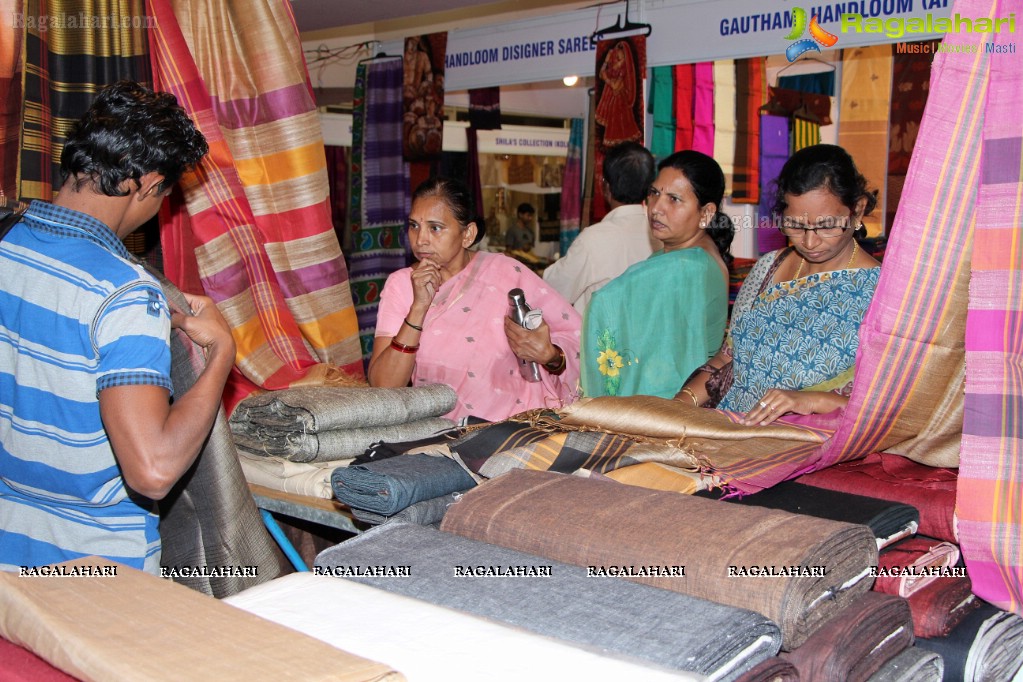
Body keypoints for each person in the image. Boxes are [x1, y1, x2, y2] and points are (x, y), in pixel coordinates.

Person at [0, 81, 232, 574]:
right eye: (164, 197)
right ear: (148, 185)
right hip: (93, 568)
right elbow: (153, 470)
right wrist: (222, 358)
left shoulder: (6, 241)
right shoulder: (124, 293)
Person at [675, 144, 882, 426]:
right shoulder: (768, 268)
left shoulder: (882, 295)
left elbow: (895, 412)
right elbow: (727, 360)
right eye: (795, 226)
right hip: (729, 429)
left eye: (827, 226)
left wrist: (810, 400)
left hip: (807, 445)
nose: (810, 242)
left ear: (856, 211)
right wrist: (679, 406)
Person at [369, 178, 581, 422]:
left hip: (518, 430)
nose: (421, 239)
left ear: (467, 234)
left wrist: (552, 356)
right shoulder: (401, 286)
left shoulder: (506, 273)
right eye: (414, 226)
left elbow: (579, 339)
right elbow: (383, 386)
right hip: (438, 436)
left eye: (435, 228)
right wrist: (418, 308)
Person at [581, 150, 732, 399]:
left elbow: (604, 304)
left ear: (706, 213)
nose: (657, 208)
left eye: (674, 199)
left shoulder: (687, 266)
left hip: (672, 405)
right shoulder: (687, 257)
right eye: (654, 193)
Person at [543, 141, 659, 313]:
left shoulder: (593, 240)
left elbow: (553, 289)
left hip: (600, 338)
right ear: (650, 189)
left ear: (605, 186)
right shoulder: (663, 234)